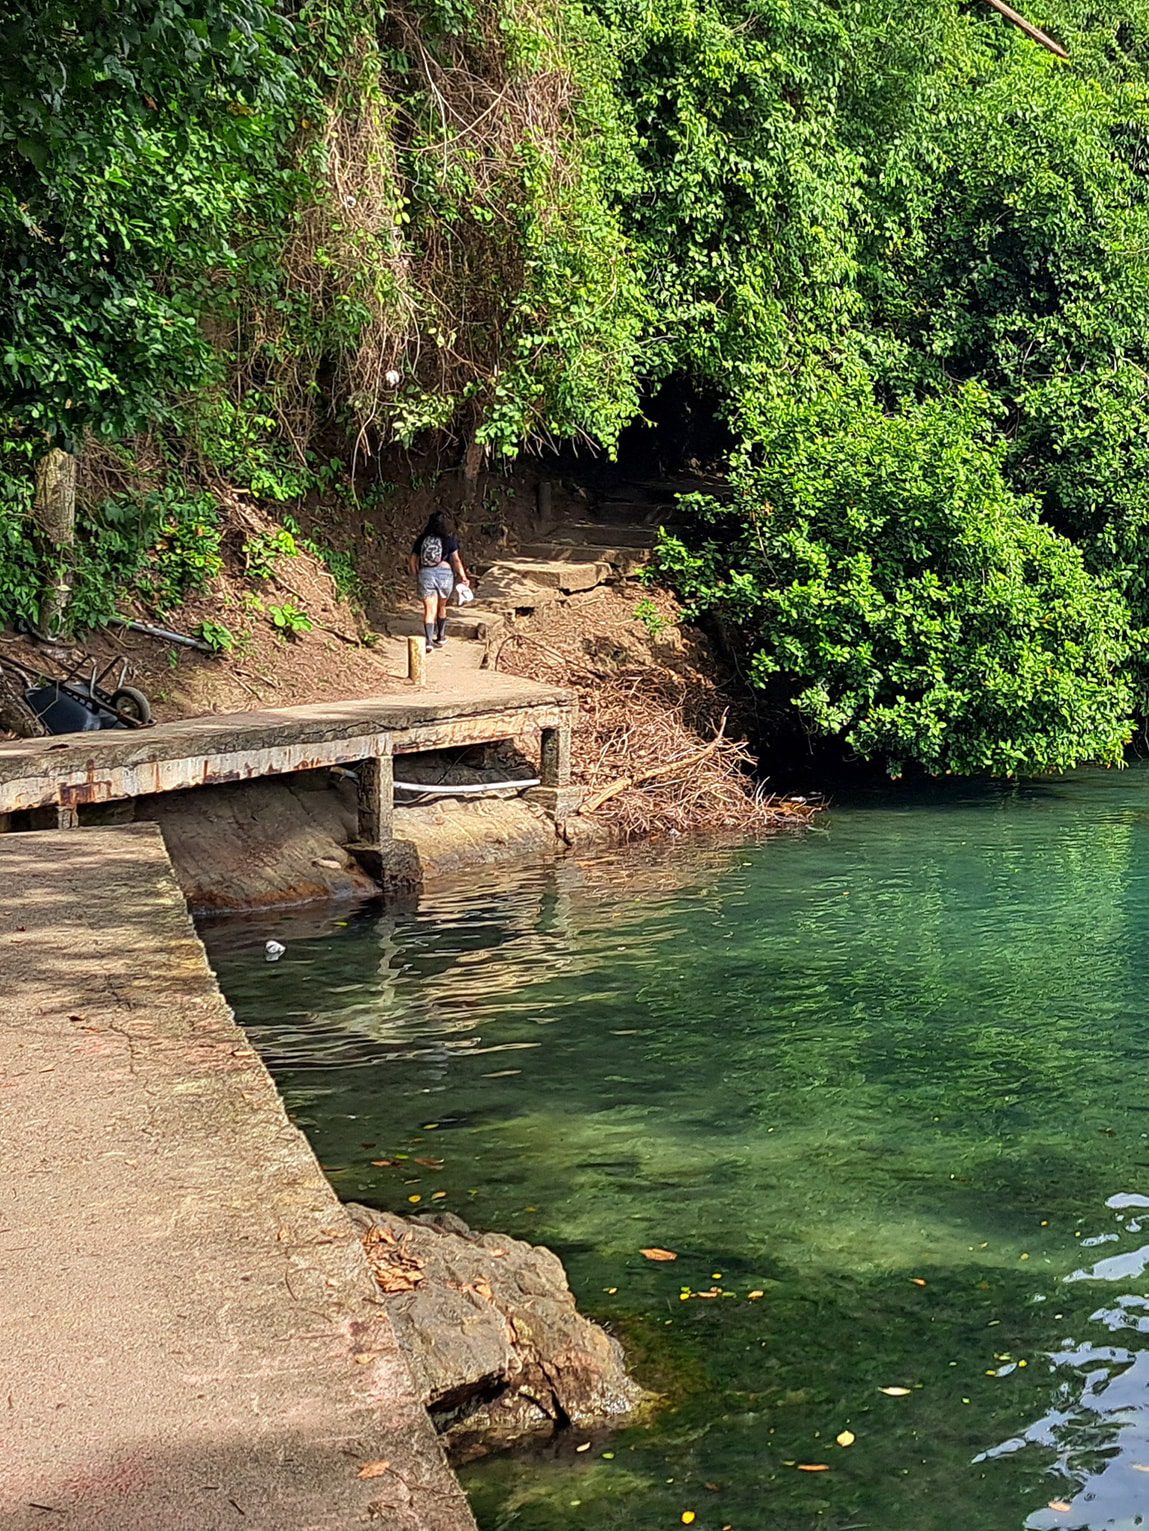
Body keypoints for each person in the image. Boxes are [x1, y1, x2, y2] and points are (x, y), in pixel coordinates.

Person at [408, 511, 469, 653]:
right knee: (442, 606)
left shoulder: (422, 539)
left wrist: (417, 575)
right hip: (445, 574)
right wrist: (463, 576)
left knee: (429, 609)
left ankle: (429, 641)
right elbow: (456, 560)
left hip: (426, 574)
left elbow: (412, 560)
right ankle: (440, 636)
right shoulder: (449, 540)